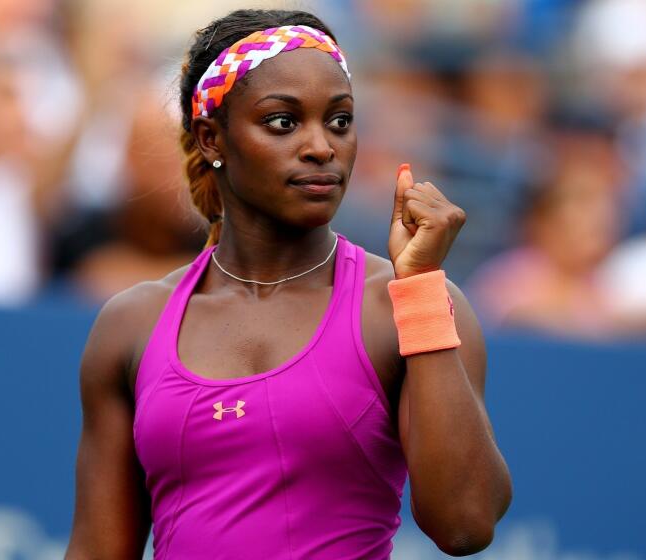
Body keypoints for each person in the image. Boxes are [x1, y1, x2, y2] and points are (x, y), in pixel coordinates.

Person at [65, 9, 511, 560]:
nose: (322, 146)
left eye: (340, 121)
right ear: (211, 138)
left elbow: (465, 524)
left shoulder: (408, 304)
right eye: (283, 122)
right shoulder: (131, 325)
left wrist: (420, 291)